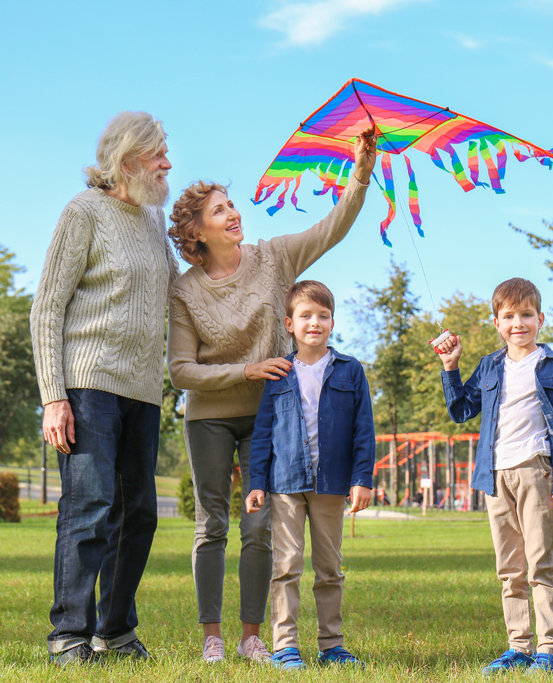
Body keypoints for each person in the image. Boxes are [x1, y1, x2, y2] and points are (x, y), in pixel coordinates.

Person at [166, 129, 376, 664]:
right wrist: (247, 368)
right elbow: (181, 370)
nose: (233, 214)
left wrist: (361, 168)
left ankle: (254, 636)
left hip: (267, 417)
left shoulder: (273, 258)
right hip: (210, 417)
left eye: (232, 204)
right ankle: (212, 635)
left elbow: (333, 227)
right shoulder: (186, 290)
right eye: (219, 210)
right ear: (197, 230)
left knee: (259, 524)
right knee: (212, 523)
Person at [30, 111, 178, 665]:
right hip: (87, 383)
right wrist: (54, 395)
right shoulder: (83, 212)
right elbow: (47, 309)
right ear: (129, 158)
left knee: (139, 512)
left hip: (142, 390)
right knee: (90, 505)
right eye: (160, 152)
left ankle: (114, 631)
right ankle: (69, 634)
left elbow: (177, 291)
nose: (168, 162)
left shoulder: (150, 222)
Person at [432, 277, 553, 674]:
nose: (519, 323)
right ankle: (519, 646)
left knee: (540, 562)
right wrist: (451, 367)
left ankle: (549, 650)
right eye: (509, 316)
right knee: (509, 568)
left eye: (527, 315)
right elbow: (462, 410)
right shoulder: (489, 366)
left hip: (537, 471)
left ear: (541, 319)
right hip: (495, 474)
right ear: (496, 322)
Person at [244, 280, 375, 671]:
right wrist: (256, 482)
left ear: (332, 322)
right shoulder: (280, 373)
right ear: (289, 323)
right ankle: (285, 646)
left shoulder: (350, 371)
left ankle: (332, 645)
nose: (314, 322)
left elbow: (363, 429)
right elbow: (263, 431)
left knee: (329, 569)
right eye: (305, 316)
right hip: (285, 484)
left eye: (322, 315)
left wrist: (362, 478)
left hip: (332, 484)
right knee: (286, 566)